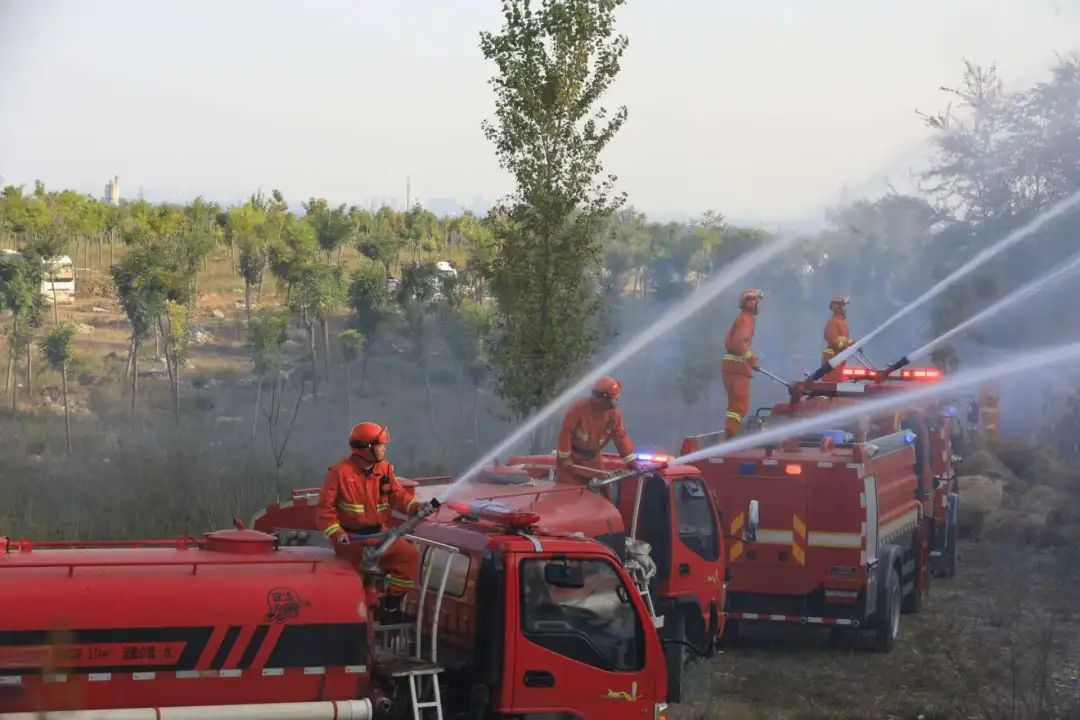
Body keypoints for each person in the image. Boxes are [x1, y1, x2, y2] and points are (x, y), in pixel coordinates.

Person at [316, 422, 422, 622]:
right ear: (366, 448)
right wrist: (337, 533)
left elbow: (397, 495)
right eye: (381, 444)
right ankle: (353, 619)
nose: (384, 448)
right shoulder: (339, 473)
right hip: (351, 541)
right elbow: (324, 509)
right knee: (351, 584)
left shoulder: (384, 469)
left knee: (408, 556)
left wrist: (415, 506)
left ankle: (391, 607)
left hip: (380, 536)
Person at [556, 376, 638, 488]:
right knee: (569, 495)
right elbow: (565, 433)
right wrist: (565, 458)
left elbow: (621, 439)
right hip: (572, 462)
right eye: (613, 399)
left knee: (603, 493)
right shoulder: (578, 409)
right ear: (601, 398)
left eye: (616, 399)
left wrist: (631, 462)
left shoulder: (614, 415)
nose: (615, 404)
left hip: (594, 461)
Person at [722, 289, 762, 438]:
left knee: (735, 406)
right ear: (750, 303)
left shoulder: (743, 318)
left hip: (733, 367)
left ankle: (730, 435)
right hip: (737, 369)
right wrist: (751, 360)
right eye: (756, 301)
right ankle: (730, 438)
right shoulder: (746, 319)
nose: (758, 304)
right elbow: (739, 342)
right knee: (739, 406)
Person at [821, 296, 854, 367]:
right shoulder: (833, 322)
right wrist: (844, 346)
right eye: (843, 306)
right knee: (835, 377)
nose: (846, 309)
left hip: (839, 357)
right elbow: (831, 339)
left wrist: (854, 344)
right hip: (831, 358)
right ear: (838, 308)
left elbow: (846, 337)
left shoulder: (842, 323)